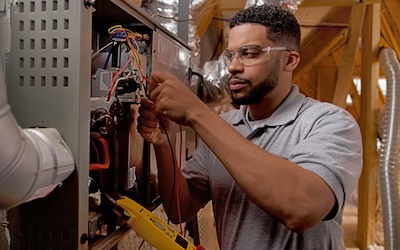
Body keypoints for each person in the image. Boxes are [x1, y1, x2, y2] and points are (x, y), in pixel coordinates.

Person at [137, 4, 362, 249]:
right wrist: (163, 144)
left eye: (250, 53)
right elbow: (180, 208)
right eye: (230, 55)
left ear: (289, 60)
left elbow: (301, 209)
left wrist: (196, 111)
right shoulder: (224, 127)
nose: (233, 67)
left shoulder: (329, 123)